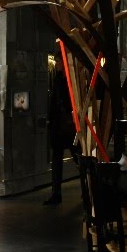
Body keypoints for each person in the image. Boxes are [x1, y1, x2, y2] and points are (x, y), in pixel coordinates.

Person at [43, 53, 80, 205]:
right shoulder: (59, 79)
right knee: (60, 159)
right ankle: (56, 193)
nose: (56, 64)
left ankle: (87, 188)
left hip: (67, 125)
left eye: (58, 62)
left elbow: (62, 102)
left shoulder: (66, 80)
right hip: (60, 125)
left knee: (77, 157)